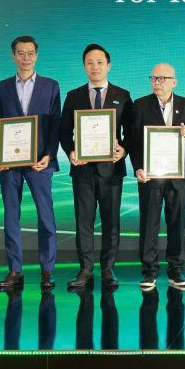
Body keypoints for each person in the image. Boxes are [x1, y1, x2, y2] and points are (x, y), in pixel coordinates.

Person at [0, 35, 61, 291]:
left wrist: (49, 155)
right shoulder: (1, 87)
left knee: (46, 217)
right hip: (9, 164)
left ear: (36, 55)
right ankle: (15, 270)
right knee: (11, 217)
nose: (26, 58)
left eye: (30, 53)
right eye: (21, 53)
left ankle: (47, 270)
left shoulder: (51, 86)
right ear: (13, 56)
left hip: (40, 162)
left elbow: (55, 123)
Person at [59, 44, 132, 290]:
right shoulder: (74, 96)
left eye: (100, 62)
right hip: (83, 171)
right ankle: (85, 270)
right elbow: (64, 131)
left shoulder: (123, 95)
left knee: (111, 221)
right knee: (84, 222)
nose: (95, 67)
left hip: (112, 170)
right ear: (84, 67)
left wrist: (124, 149)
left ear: (108, 65)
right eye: (90, 62)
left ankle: (108, 269)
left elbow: (131, 131)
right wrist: (71, 151)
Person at [129, 62, 185, 291]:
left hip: (178, 176)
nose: (157, 82)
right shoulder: (140, 105)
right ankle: (149, 272)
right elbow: (133, 140)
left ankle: (176, 270)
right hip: (150, 176)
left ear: (174, 82)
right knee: (149, 223)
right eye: (153, 78)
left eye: (162, 78)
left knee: (177, 223)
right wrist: (137, 167)